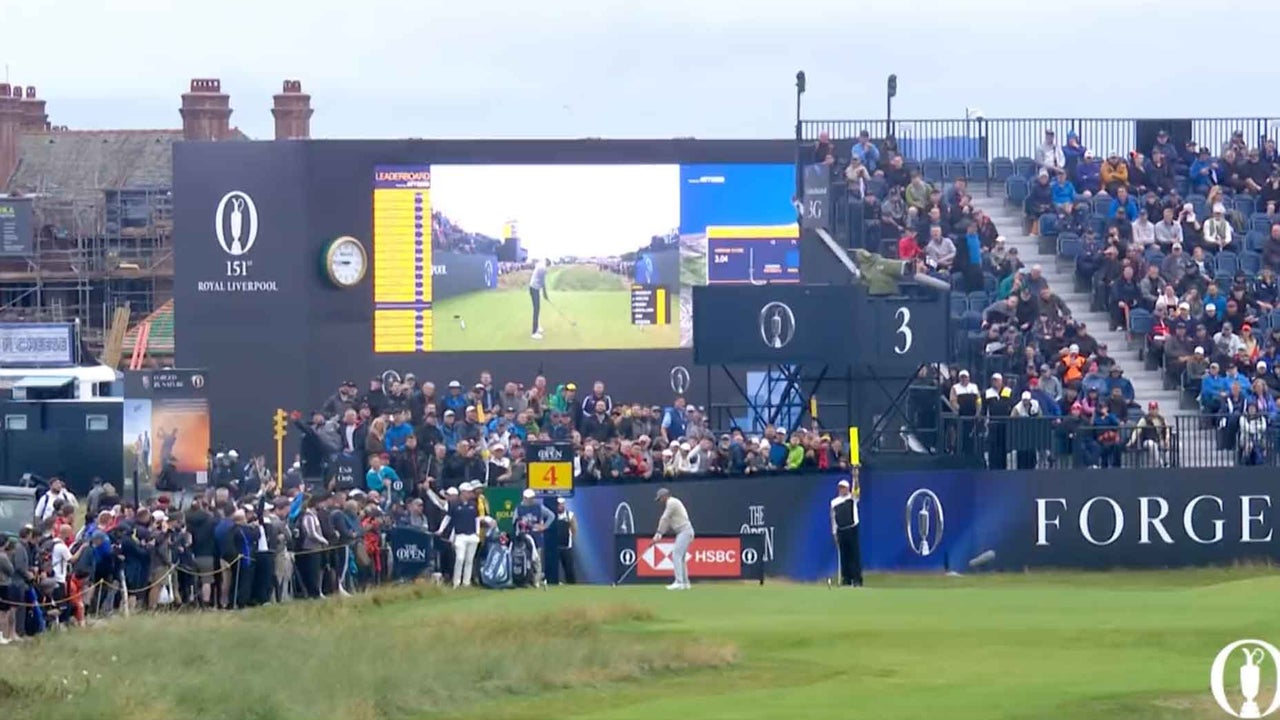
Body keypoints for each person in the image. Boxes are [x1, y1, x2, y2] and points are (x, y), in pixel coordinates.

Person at [438, 482, 481, 588]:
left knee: (469, 560)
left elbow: (477, 520)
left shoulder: (473, 504)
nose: (470, 493)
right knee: (460, 558)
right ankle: (456, 582)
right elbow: (448, 518)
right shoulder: (454, 504)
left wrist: (477, 533)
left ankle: (466, 583)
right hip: (460, 535)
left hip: (472, 535)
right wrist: (441, 529)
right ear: (462, 492)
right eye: (468, 492)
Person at [652, 488, 694, 591]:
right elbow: (667, 523)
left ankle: (679, 582)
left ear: (665, 496)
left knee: (676, 554)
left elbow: (664, 518)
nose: (660, 501)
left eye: (660, 499)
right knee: (681, 558)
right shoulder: (671, 504)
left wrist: (658, 533)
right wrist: (660, 534)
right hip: (685, 531)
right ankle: (685, 583)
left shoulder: (672, 503)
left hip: (685, 531)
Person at [829, 476, 862, 588]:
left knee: (854, 555)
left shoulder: (852, 498)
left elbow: (856, 489)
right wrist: (834, 533)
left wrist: (855, 477)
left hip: (852, 529)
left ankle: (857, 579)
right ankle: (846, 579)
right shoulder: (834, 502)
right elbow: (833, 518)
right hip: (841, 530)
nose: (842, 489)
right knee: (844, 556)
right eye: (840, 488)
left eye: (844, 487)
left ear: (848, 489)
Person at [551, 498, 577, 585]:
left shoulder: (570, 515)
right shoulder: (552, 515)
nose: (560, 506)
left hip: (566, 547)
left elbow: (574, 529)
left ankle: (572, 586)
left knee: (569, 569)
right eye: (558, 504)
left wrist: (569, 537)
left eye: (562, 504)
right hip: (554, 547)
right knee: (553, 569)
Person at [529, 259, 549, 340]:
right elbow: (543, 283)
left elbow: (541, 283)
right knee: (536, 309)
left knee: (537, 308)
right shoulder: (543, 269)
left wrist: (544, 294)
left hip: (534, 288)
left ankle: (537, 327)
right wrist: (545, 294)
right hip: (534, 289)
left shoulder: (540, 265)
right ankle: (534, 332)